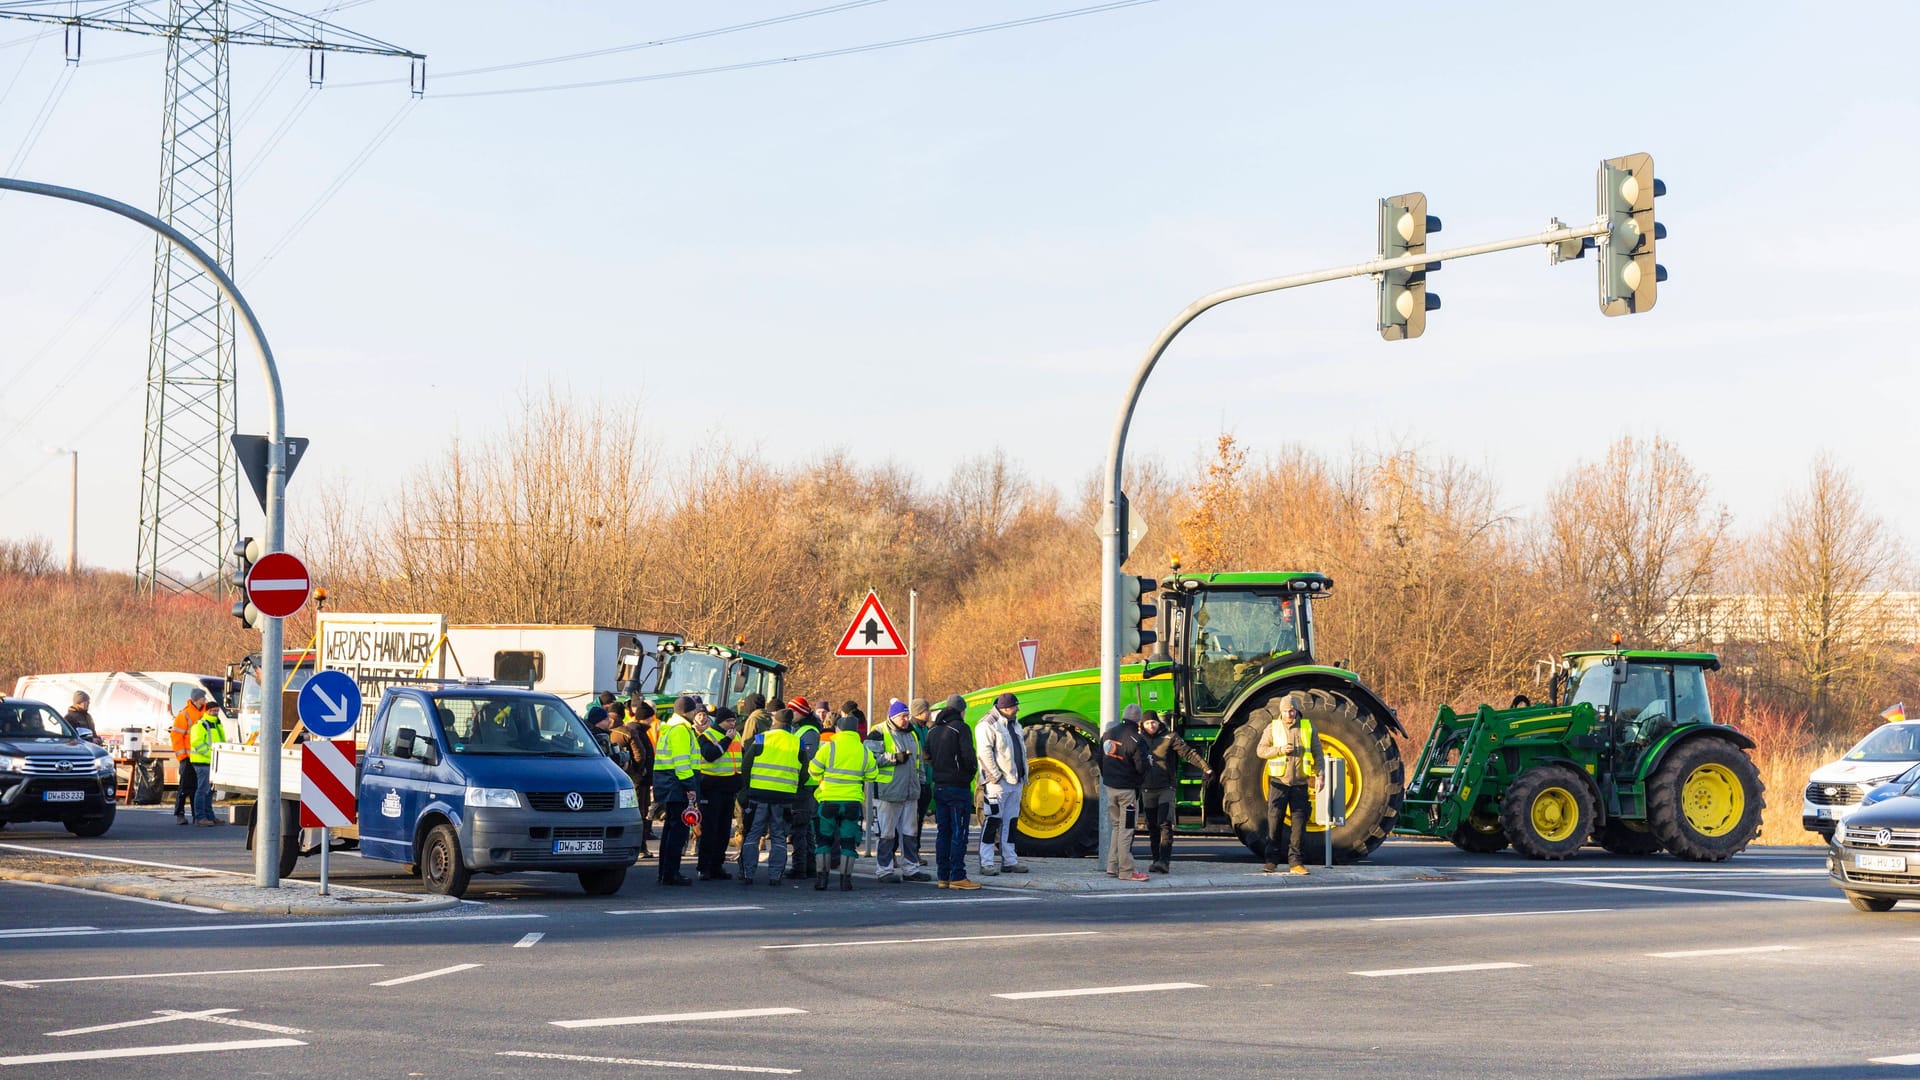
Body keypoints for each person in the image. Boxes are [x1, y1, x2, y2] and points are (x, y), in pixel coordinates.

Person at [1256, 693, 1325, 875]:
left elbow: (1318, 752)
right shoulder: (1273, 728)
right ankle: (1271, 861)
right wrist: (1279, 750)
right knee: (1274, 822)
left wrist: (1320, 775)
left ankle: (1296, 862)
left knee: (1299, 825)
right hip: (1278, 783)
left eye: (1292, 711)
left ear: (1296, 710)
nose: (1290, 715)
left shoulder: (1307, 727)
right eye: (1286, 711)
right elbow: (1260, 750)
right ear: (1281, 712)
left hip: (1300, 783)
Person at [808, 712, 878, 891]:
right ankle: (845, 881)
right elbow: (872, 775)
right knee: (848, 842)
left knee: (823, 841)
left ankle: (821, 879)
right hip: (852, 803)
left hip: (828, 800)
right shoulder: (864, 750)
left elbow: (813, 769)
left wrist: (822, 779)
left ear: (838, 729)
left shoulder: (829, 748)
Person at [738, 709, 806, 886]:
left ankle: (748, 874)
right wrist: (795, 789)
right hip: (784, 798)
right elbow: (805, 772)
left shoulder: (761, 738)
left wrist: (747, 787)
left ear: (774, 721)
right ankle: (775, 876)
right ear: (790, 725)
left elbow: (746, 764)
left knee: (753, 834)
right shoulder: (797, 742)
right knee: (779, 836)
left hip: (758, 794)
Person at [1140, 710, 1211, 874]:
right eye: (1147, 723)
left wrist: (1205, 768)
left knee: (1164, 823)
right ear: (1142, 725)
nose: (1151, 725)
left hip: (1166, 787)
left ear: (1158, 722)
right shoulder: (1139, 740)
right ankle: (1156, 860)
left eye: (1153, 722)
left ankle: (1164, 862)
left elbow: (1188, 753)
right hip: (1147, 788)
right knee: (1152, 826)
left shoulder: (1169, 737)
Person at [866, 699, 929, 882]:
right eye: (903, 716)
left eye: (907, 716)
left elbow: (918, 761)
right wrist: (894, 758)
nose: (906, 720)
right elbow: (871, 758)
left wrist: (922, 783)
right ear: (893, 717)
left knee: (910, 833)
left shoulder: (911, 735)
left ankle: (911, 868)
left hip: (909, 792)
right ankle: (884, 870)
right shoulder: (878, 732)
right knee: (886, 834)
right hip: (887, 792)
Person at [925, 695, 980, 890]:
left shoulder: (933, 729)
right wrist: (968, 774)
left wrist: (939, 769)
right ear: (961, 710)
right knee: (959, 832)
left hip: (939, 785)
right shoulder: (960, 728)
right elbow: (969, 757)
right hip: (957, 787)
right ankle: (958, 875)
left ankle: (943, 876)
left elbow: (926, 755)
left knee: (943, 832)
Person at [974, 691, 1028, 875]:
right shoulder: (987, 724)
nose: (1017, 709)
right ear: (1005, 708)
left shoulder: (1014, 723)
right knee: (992, 822)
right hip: (997, 784)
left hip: (1014, 781)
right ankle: (987, 862)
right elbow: (984, 753)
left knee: (1011, 822)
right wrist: (996, 776)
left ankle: (1010, 860)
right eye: (1015, 706)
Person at [652, 695, 702, 886]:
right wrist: (690, 786)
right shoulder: (681, 731)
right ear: (687, 712)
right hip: (678, 784)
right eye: (694, 711)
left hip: (669, 784)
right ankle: (671, 873)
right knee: (678, 831)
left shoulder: (669, 728)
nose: (696, 714)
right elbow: (682, 763)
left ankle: (665, 872)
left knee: (670, 830)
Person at [1100, 704, 1152, 881]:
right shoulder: (1137, 740)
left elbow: (1100, 759)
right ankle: (1127, 870)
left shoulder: (1108, 735)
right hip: (1127, 793)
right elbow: (1141, 767)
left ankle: (1112, 865)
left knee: (1116, 827)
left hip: (1110, 789)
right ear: (1138, 720)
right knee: (1127, 830)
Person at [695, 707, 742, 880]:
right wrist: (726, 740)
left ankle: (717, 865)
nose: (732, 724)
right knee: (710, 829)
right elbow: (710, 756)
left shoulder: (735, 735)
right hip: (712, 788)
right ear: (719, 721)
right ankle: (704, 866)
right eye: (728, 721)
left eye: (733, 721)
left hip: (729, 789)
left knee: (723, 830)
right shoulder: (707, 736)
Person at [786, 696, 823, 880]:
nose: (790, 714)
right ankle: (808, 865)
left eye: (793, 711)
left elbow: (806, 758)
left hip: (804, 785)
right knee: (805, 827)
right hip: (805, 784)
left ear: (801, 712)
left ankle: (799, 867)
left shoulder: (808, 732)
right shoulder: (801, 730)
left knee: (799, 827)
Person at [186, 691, 228, 826]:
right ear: (207, 711)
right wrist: (213, 755)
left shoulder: (217, 724)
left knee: (209, 791)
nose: (215, 713)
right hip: (202, 761)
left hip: (212, 762)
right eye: (213, 711)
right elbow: (198, 743)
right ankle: (200, 817)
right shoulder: (201, 725)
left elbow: (221, 742)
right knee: (203, 790)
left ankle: (209, 816)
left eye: (217, 710)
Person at [170, 690, 205, 824]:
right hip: (188, 757)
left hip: (200, 757)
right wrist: (182, 755)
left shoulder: (204, 712)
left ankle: (197, 815)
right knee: (184, 787)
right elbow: (176, 736)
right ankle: (180, 814)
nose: (204, 699)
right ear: (197, 699)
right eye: (202, 697)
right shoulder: (184, 714)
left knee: (197, 787)